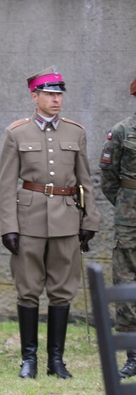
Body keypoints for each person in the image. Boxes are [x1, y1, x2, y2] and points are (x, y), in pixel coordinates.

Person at [0, 66, 100, 380]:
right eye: (50, 93)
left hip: (67, 219)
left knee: (61, 291)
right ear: (35, 96)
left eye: (59, 93)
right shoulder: (17, 132)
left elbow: (86, 180)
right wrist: (9, 226)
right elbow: (5, 184)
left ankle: (56, 360)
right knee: (28, 291)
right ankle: (28, 360)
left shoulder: (75, 132)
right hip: (29, 219)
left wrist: (90, 219)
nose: (56, 99)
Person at [99, 76, 136, 379]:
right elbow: (109, 178)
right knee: (127, 283)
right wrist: (127, 203)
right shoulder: (122, 131)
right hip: (130, 219)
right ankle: (134, 355)